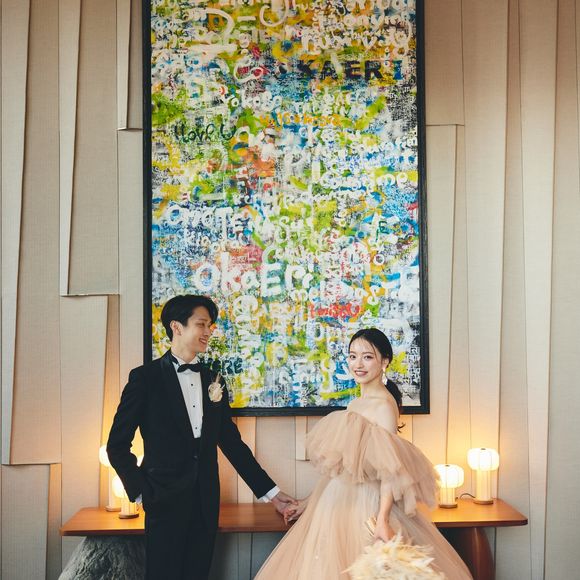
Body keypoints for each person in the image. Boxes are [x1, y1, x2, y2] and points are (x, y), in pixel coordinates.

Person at [255, 328, 472, 579]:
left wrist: (382, 520)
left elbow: (390, 471)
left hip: (366, 503)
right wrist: (307, 502)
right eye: (353, 356)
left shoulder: (384, 406)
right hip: (337, 500)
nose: (358, 364)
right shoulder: (355, 404)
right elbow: (344, 467)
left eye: (367, 357)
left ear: (385, 361)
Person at [106, 295, 296, 580]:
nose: (208, 331)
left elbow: (232, 444)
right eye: (201, 324)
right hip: (163, 501)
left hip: (206, 501)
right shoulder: (145, 378)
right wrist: (143, 493)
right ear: (177, 327)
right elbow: (117, 445)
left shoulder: (214, 379)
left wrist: (273, 495)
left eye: (210, 325)